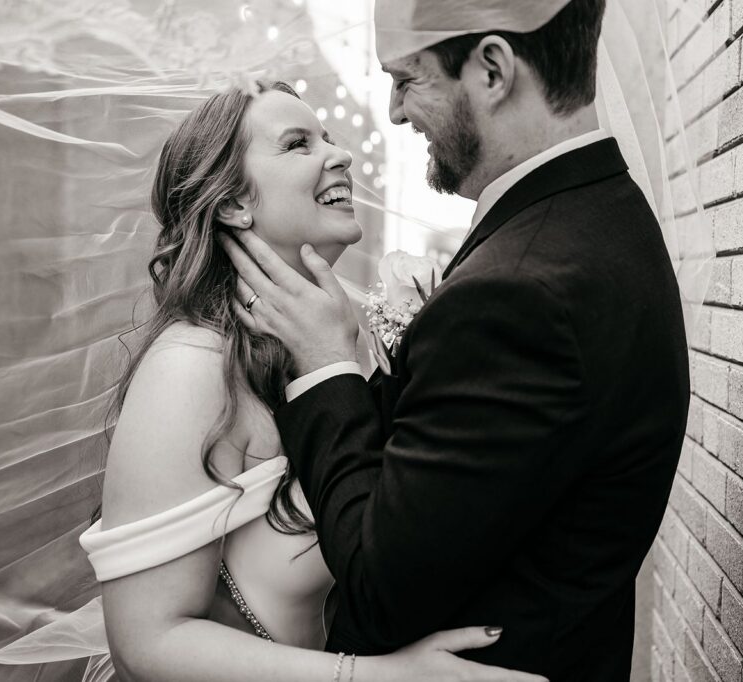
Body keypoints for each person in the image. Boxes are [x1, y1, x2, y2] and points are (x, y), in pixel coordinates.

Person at [218, 1, 691, 679]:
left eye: (407, 80)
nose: (393, 113)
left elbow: (379, 587)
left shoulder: (519, 292)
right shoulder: (603, 218)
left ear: (492, 70)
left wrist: (327, 367)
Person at [78, 80, 546, 682]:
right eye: (298, 143)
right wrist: (385, 676)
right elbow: (146, 643)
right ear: (232, 204)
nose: (341, 154)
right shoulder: (190, 367)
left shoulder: (329, 348)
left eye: (328, 137)